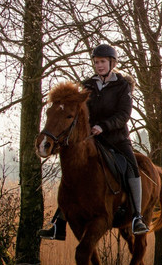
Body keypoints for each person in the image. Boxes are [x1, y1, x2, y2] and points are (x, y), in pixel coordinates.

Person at [40, 44, 147, 240]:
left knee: (131, 166)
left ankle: (137, 217)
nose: (99, 65)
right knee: (73, 172)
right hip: (90, 137)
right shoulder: (87, 84)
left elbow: (124, 114)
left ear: (112, 63)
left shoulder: (122, 85)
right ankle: (59, 222)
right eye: (96, 62)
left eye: (103, 62)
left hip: (115, 137)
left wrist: (104, 126)